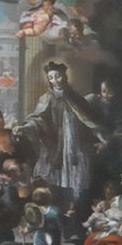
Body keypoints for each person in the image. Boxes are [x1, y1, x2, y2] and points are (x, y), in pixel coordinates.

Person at [20, 62, 104, 206]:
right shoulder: (46, 98)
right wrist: (26, 127)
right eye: (51, 77)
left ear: (65, 77)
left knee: (76, 179)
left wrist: (102, 136)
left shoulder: (76, 98)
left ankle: (75, 206)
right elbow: (37, 119)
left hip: (75, 144)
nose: (55, 80)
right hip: (55, 144)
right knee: (54, 181)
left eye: (58, 76)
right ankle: (56, 203)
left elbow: (89, 120)